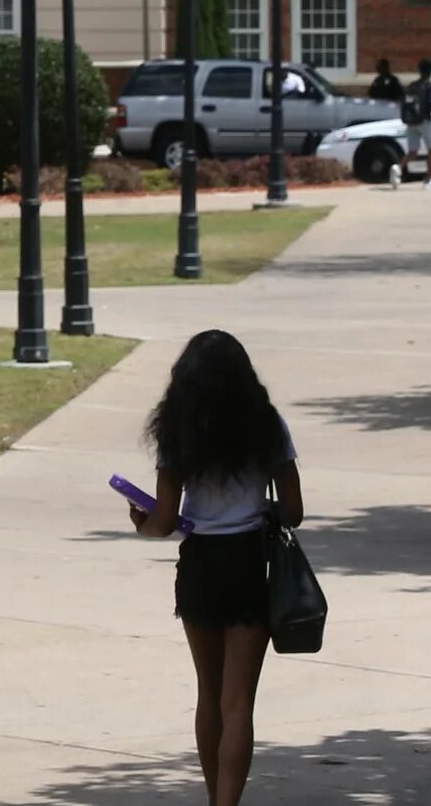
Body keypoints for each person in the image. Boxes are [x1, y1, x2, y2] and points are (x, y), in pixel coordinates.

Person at [128, 329, 303, 806]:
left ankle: (213, 799)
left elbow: (164, 522)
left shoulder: (178, 429)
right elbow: (294, 509)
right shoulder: (267, 425)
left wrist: (141, 523)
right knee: (238, 702)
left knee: (208, 694)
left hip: (201, 564)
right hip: (249, 561)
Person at [399, 59, 431, 190]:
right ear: (430, 72)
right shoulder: (430, 85)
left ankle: (397, 168)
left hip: (411, 121)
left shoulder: (412, 85)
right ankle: (428, 180)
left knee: (412, 151)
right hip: (425, 121)